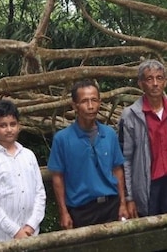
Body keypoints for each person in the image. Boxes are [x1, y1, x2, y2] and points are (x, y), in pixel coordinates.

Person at [47, 79, 129, 228]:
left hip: (111, 206)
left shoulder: (109, 134)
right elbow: (57, 177)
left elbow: (117, 170)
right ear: (75, 106)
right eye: (85, 101)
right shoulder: (62, 139)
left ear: (99, 102)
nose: (90, 106)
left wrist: (123, 203)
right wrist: (63, 212)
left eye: (94, 100)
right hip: (81, 210)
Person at [120, 59, 167, 221]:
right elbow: (126, 160)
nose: (155, 83)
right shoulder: (131, 115)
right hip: (146, 186)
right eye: (149, 79)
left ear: (165, 82)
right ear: (141, 84)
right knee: (149, 239)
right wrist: (129, 198)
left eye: (159, 78)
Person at [0, 99, 46, 241]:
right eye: (3, 125)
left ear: (19, 126)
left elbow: (40, 193)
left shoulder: (29, 155)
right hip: (3, 237)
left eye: (12, 124)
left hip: (32, 233)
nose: (9, 129)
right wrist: (15, 231)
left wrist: (31, 226)